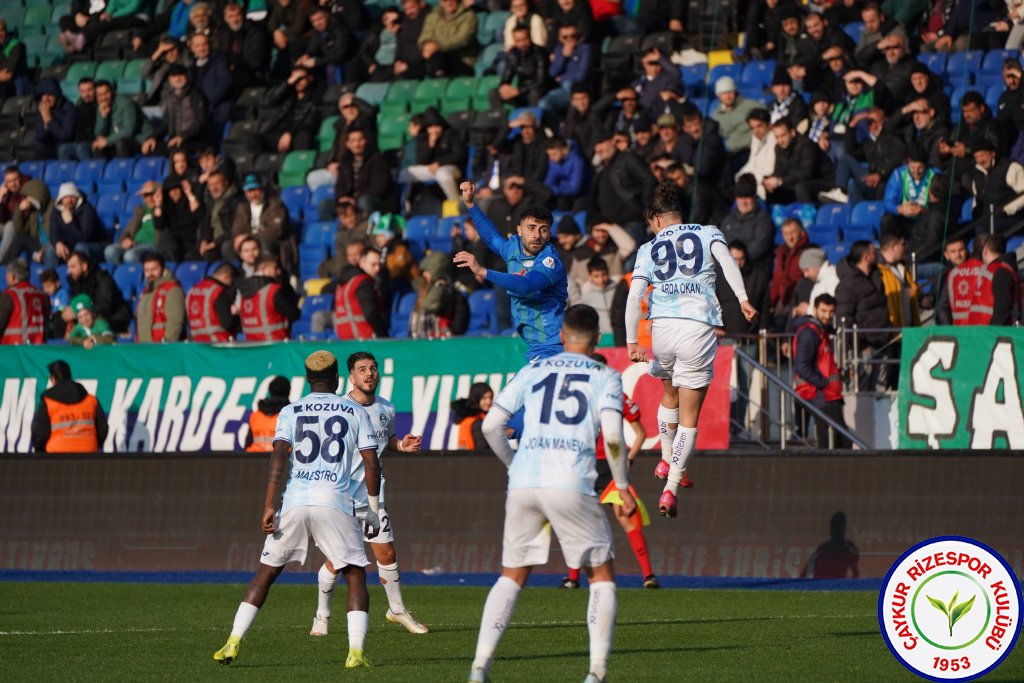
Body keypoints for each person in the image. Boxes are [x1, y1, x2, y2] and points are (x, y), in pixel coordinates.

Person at [469, 304, 636, 683]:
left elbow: (492, 425)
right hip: (571, 480)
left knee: (512, 574)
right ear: (596, 340)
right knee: (601, 574)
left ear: (562, 335)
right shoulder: (606, 376)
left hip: (524, 481)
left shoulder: (535, 369)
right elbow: (612, 438)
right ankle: (596, 672)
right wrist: (623, 488)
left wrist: (514, 465)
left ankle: (479, 666)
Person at [213, 350, 382, 669]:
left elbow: (278, 456)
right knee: (355, 574)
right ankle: (355, 652)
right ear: (336, 379)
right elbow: (372, 463)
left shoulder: (291, 410)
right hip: (334, 500)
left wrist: (268, 505)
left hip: (293, 502)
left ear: (308, 380)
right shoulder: (355, 410)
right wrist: (372, 509)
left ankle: (232, 641)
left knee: (266, 573)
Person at [625, 183, 757, 518]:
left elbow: (633, 296)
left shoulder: (647, 248)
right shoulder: (708, 231)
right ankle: (671, 487)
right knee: (689, 417)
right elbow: (727, 263)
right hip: (697, 328)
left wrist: (631, 341)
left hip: (662, 329)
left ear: (656, 220)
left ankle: (667, 458)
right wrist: (742, 299)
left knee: (668, 394)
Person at [309, 352, 427, 637]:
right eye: (362, 369)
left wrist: (401, 446)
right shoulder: (338, 408)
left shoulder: (386, 408)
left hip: (372, 496)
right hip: (338, 496)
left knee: (386, 553)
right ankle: (322, 615)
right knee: (338, 561)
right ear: (351, 377)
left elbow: (385, 440)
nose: (369, 373)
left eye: (373, 368)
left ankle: (396, 609)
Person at [561, 352, 657, 591]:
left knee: (626, 516)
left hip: (612, 467)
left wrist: (629, 460)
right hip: (586, 465)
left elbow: (641, 433)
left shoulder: (617, 396)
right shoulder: (577, 398)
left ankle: (648, 575)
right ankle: (572, 577)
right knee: (579, 520)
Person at [455, 181, 568, 362]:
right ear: (519, 230)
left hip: (552, 343)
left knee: (515, 390)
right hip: (535, 344)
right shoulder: (513, 248)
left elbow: (526, 285)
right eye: (531, 228)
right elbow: (492, 238)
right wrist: (470, 204)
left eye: (543, 230)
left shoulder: (550, 261)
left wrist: (483, 271)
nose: (537, 235)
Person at [793, 294, 851, 448]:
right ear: (815, 309)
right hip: (820, 395)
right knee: (840, 442)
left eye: (831, 312)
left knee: (835, 440)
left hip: (824, 395)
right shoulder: (810, 333)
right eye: (823, 311)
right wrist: (824, 383)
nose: (827, 315)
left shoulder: (819, 331)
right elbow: (801, 366)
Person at [31, 359, 109, 453]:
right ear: (70, 376)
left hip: (57, 457)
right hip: (88, 455)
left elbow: (39, 435)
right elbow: (102, 430)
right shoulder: (91, 400)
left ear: (53, 379)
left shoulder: (48, 402)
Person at [65, 250, 132, 334]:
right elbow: (77, 302)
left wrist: (77, 312)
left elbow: (104, 304)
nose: (69, 271)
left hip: (113, 318)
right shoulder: (74, 280)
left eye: (73, 267)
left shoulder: (103, 278)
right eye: (68, 267)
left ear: (84, 266)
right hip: (89, 317)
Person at [329, 247, 389, 339]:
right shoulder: (363, 283)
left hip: (345, 338)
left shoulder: (345, 281)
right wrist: (384, 336)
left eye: (379, 265)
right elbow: (370, 312)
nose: (377, 268)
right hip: (364, 339)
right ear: (361, 263)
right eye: (373, 264)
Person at [237, 256, 300, 341]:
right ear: (265, 269)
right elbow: (293, 313)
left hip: (251, 345)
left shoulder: (242, 291)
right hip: (275, 345)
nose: (279, 271)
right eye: (275, 268)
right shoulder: (272, 291)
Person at [967, 234, 1020, 325]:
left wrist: (992, 333)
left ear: (985, 250)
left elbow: (1002, 310)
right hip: (983, 332)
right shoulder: (997, 270)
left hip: (990, 334)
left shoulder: (1000, 272)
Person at [105, 181, 162, 264]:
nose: (147, 198)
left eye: (149, 194)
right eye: (144, 196)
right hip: (134, 244)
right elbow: (128, 230)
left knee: (130, 256)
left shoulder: (162, 210)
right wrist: (125, 240)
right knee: (110, 251)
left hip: (152, 245)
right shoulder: (140, 211)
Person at [50, 183, 106, 265]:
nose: (69, 200)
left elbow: (84, 238)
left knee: (80, 248)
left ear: (77, 197)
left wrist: (70, 223)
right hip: (70, 245)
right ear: (61, 200)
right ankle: (53, 275)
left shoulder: (87, 210)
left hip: (94, 245)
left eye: (72, 196)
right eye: (65, 197)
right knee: (51, 250)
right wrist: (57, 243)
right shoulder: (56, 212)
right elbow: (53, 233)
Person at [136, 253, 186, 343]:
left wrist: (166, 344)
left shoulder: (172, 289)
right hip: (145, 348)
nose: (150, 273)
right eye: (146, 270)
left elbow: (175, 322)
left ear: (163, 269)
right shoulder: (145, 292)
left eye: (154, 269)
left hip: (163, 349)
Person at [0, 259, 48, 345]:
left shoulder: (10, 295)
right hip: (40, 349)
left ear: (13, 277)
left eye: (7, 274)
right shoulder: (43, 295)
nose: (6, 277)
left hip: (14, 351)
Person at [188, 262, 239, 342]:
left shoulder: (192, 291)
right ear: (227, 276)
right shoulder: (218, 292)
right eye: (231, 280)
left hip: (198, 344)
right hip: (219, 344)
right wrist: (237, 315)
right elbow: (228, 323)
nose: (230, 285)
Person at [245, 376, 290, 452]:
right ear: (288, 392)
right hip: (282, 461)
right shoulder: (291, 416)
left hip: (254, 460)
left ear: (270, 391)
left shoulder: (256, 415)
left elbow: (248, 444)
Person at [451, 382, 494, 452]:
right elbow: (483, 449)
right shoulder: (476, 422)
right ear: (476, 398)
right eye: (484, 398)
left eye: (490, 397)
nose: (489, 401)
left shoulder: (469, 417)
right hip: (477, 460)